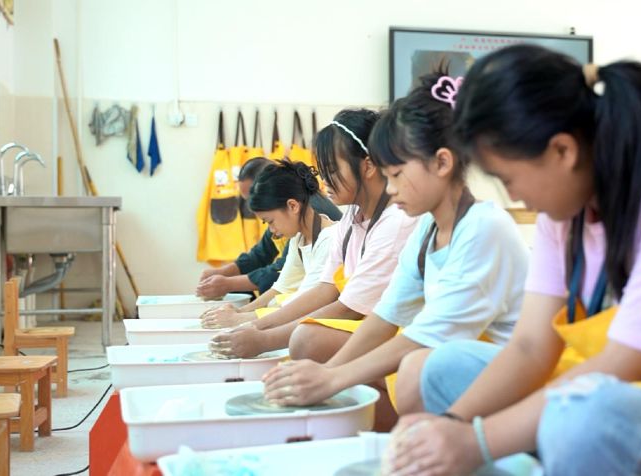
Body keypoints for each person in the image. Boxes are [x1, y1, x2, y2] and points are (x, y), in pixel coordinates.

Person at [385, 44, 641, 475]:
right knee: (443, 367)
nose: (514, 197)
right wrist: (451, 426)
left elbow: (627, 364)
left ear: (562, 151)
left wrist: (475, 441)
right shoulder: (566, 212)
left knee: (581, 418)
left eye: (509, 179)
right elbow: (529, 347)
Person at [259, 71, 530, 417]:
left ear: (442, 162)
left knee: (416, 368)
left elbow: (430, 337)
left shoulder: (483, 228)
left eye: (397, 174)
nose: (389, 188)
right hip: (450, 356)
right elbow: (387, 314)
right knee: (394, 364)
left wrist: (333, 377)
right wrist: (329, 372)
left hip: (510, 372)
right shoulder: (427, 230)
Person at [207, 108, 420, 365]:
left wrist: (262, 337)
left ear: (368, 165)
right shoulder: (351, 218)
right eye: (322, 170)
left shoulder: (396, 222)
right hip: (360, 321)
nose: (324, 180)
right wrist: (253, 326)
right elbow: (325, 289)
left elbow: (349, 308)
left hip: (394, 334)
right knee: (298, 333)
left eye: (332, 170)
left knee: (306, 339)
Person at [201, 159, 338, 329]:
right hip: (306, 305)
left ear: (292, 206)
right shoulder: (299, 238)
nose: (272, 230)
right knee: (273, 297)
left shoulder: (330, 239)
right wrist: (239, 311)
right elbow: (282, 287)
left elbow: (305, 303)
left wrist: (238, 319)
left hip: (326, 317)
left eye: (270, 221)